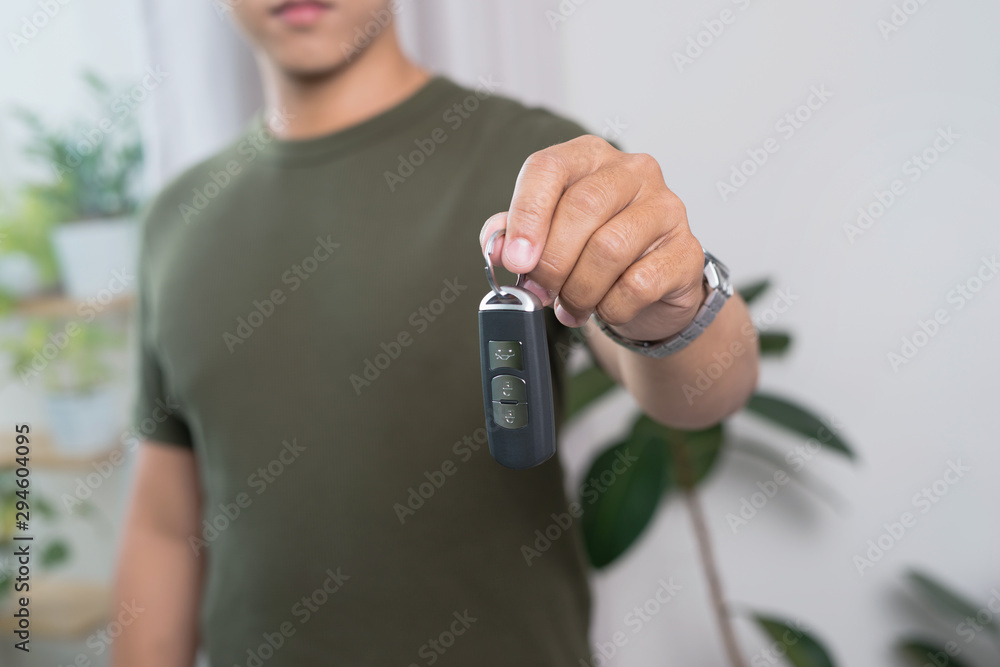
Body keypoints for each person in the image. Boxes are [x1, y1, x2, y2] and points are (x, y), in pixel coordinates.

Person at [112, 1, 759, 665]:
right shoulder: (174, 221)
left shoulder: (539, 168)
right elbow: (165, 526)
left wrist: (677, 310)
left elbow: (712, 390)